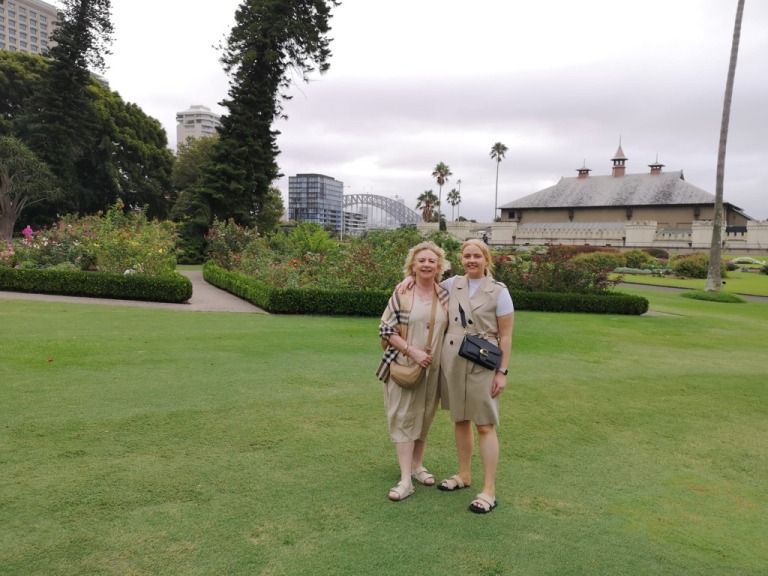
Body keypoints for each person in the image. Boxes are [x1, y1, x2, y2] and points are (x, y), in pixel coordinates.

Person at [436, 239, 514, 514]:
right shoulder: (451, 284)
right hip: (453, 357)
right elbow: (422, 284)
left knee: (484, 424)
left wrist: (502, 372)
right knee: (459, 419)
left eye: (477, 256)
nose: (471, 260)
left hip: (483, 358)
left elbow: (505, 335)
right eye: (467, 255)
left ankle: (489, 490)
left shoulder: (499, 291)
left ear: (486, 259)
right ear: (462, 258)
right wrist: (407, 282)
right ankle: (463, 475)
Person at [377, 241, 450, 502]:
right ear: (413, 265)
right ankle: (405, 479)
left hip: (433, 370)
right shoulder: (402, 294)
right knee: (403, 418)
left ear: (439, 266)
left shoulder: (444, 295)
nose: (427, 264)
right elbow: (385, 329)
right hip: (404, 366)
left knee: (423, 417)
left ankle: (418, 466)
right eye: (422, 260)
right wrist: (412, 351)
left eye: (432, 261)